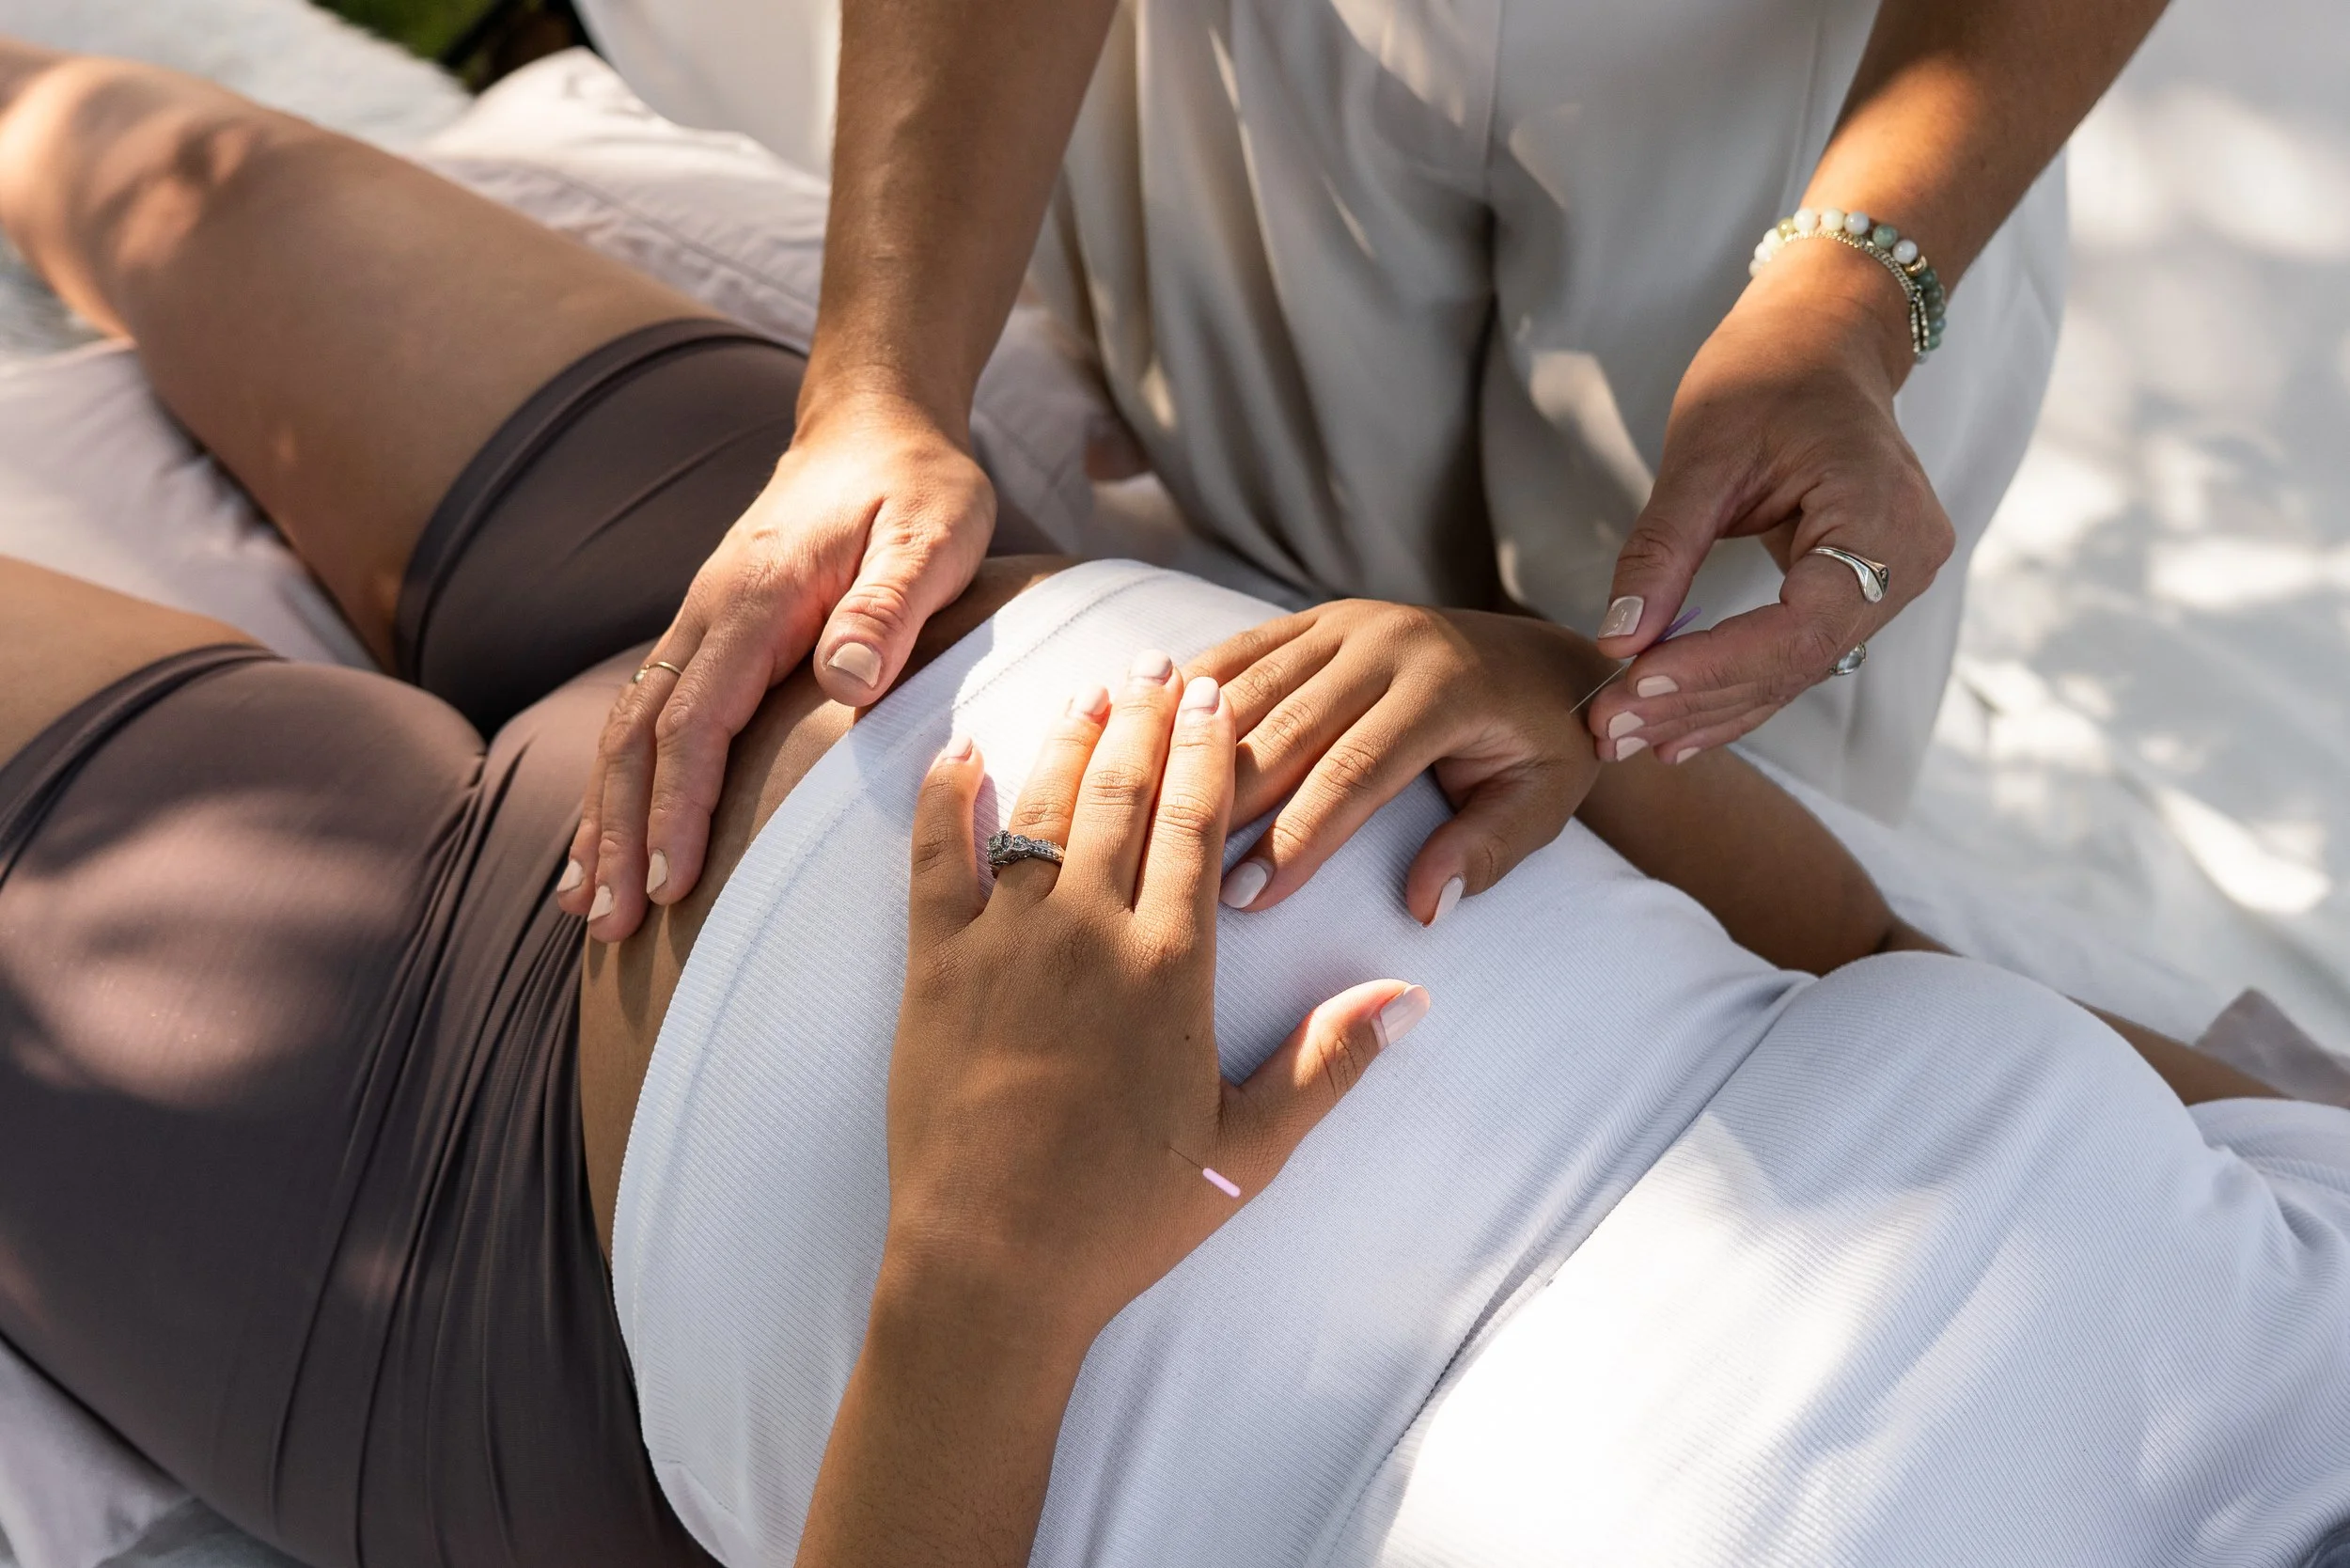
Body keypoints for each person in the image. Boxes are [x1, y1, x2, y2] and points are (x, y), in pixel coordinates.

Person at [5, 41, 2349, 1568]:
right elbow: (1880, 986)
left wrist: (989, 1267)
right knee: (132, 146)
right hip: (876, 585)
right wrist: (1561, 717)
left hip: (505, 1182)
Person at [559, 0, 2172, 946]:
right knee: (1270, 623)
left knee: (1728, 784)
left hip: (1839, 94)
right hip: (1272, 61)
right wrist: (879, 392)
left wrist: (1848, 299)